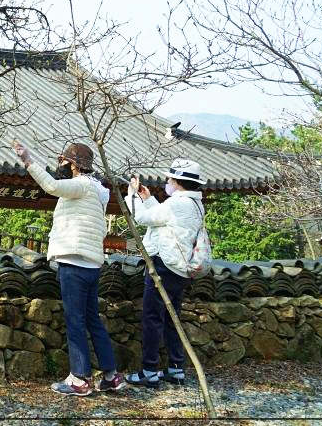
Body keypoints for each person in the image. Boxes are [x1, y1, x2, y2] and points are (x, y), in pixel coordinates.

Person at [12, 140, 125, 396]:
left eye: (63, 160)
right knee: (92, 320)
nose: (60, 164)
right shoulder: (99, 191)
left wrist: (27, 160)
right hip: (92, 263)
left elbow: (51, 186)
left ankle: (80, 379)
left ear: (74, 164)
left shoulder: (81, 185)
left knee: (75, 321)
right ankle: (111, 376)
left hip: (73, 262)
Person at [124, 159, 207, 388]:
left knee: (152, 317)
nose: (167, 182)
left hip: (164, 265)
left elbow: (143, 218)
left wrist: (132, 195)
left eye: (170, 179)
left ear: (178, 181)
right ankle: (176, 368)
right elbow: (163, 219)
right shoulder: (195, 204)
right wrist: (148, 199)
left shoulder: (177, 203)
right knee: (172, 318)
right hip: (180, 268)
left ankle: (149, 371)